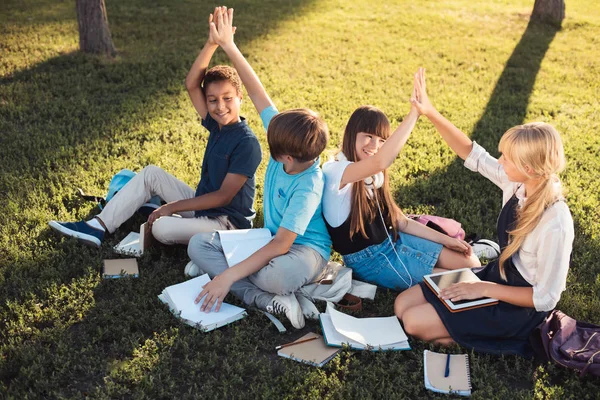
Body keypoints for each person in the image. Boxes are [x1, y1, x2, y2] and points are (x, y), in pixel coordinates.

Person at [395, 68, 574, 356]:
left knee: (414, 322)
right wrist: (429, 111)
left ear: (529, 168)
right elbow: (472, 154)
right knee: (402, 305)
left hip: (519, 308)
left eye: (506, 157)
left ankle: (499, 337)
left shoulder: (556, 222)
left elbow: (546, 297)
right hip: (495, 276)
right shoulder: (518, 183)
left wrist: (483, 290)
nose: (499, 161)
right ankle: (464, 330)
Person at [48, 12, 262, 248]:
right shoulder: (217, 125)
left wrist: (171, 207)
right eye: (212, 100)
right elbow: (192, 84)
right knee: (151, 174)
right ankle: (97, 227)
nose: (220, 106)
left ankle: (184, 228)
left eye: (227, 98)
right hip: (203, 207)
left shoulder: (247, 143)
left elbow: (223, 197)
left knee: (160, 227)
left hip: (226, 224)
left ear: (240, 97)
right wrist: (211, 43)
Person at [187, 7, 331, 330]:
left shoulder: (309, 186)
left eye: (276, 152)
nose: (271, 150)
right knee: (197, 245)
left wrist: (226, 275)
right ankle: (263, 298)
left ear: (289, 159)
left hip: (304, 252)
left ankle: (253, 288)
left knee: (275, 275)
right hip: (269, 240)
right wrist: (228, 45)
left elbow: (282, 245)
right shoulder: (287, 133)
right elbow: (254, 90)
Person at [322, 74, 480, 292]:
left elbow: (400, 222)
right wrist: (415, 112)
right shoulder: (336, 172)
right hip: (370, 262)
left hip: (395, 240)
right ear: (351, 134)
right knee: (464, 281)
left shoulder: (373, 175)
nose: (374, 145)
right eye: (368, 136)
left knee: (472, 265)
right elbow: (381, 160)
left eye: (381, 140)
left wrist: (446, 240)